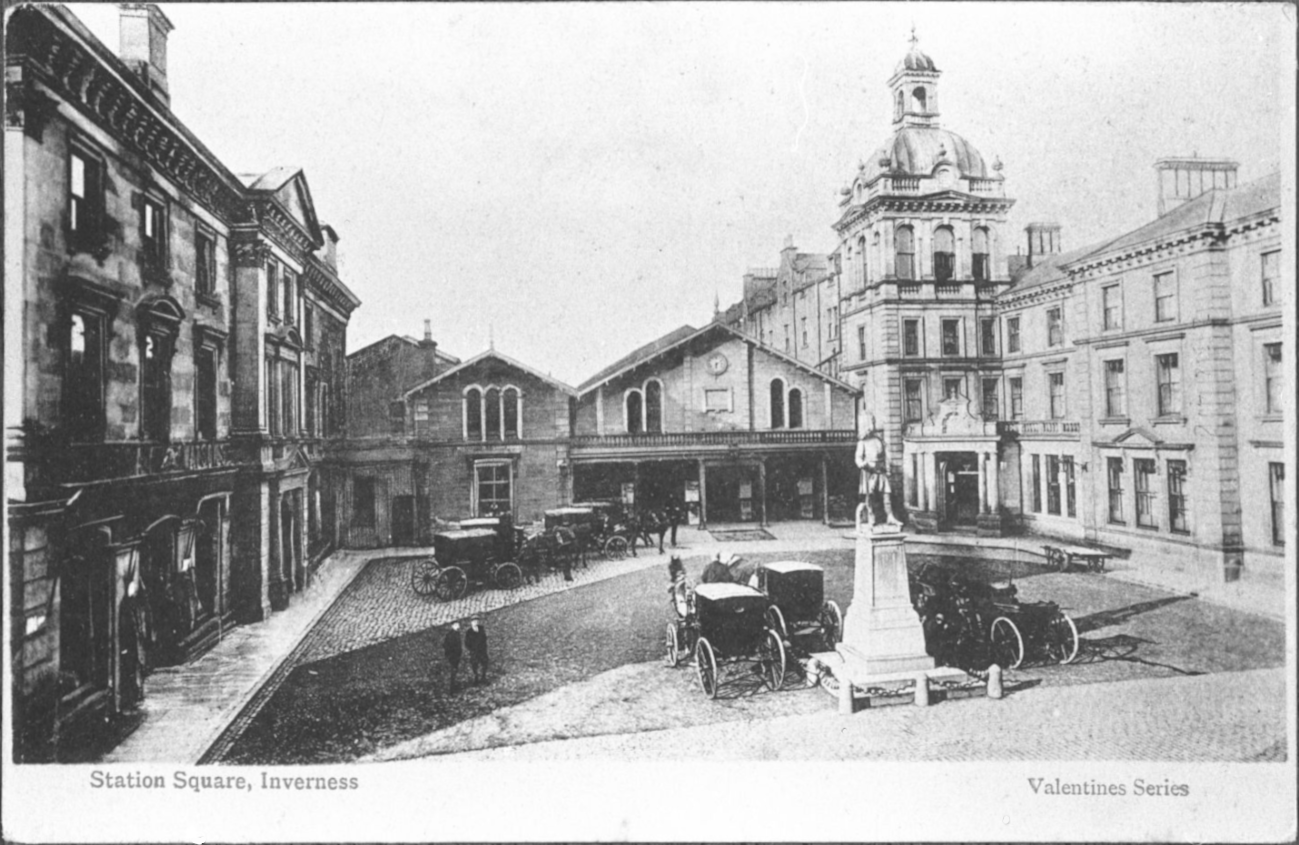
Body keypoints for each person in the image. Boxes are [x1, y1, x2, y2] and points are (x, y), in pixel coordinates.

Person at [465, 618, 489, 685]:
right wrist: (472, 650)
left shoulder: (481, 629)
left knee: (485, 663)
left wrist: (484, 647)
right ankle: (476, 678)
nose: (475, 622)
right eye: (473, 621)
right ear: (471, 623)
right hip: (474, 652)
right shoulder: (469, 632)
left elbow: (484, 638)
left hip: (482, 651)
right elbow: (467, 643)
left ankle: (483, 677)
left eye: (476, 621)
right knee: (475, 665)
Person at [442, 621, 464, 693]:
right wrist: (450, 655)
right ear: (452, 626)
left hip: (456, 656)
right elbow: (446, 645)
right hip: (453, 657)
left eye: (458, 624)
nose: (458, 626)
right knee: (452, 672)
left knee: (454, 671)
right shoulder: (450, 635)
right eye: (456, 625)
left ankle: (453, 686)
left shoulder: (456, 633)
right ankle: (451, 689)